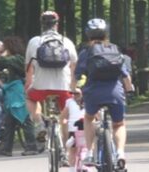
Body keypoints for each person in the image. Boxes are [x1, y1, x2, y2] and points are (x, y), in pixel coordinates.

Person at [74, 18, 133, 166]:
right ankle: (120, 152)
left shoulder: (86, 52)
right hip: (114, 91)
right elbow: (125, 74)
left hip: (93, 92)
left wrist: (73, 89)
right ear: (106, 33)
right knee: (118, 124)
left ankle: (89, 152)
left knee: (89, 118)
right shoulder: (114, 49)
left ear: (88, 34)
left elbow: (77, 74)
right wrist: (129, 88)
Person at [25, 11, 78, 142]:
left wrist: (28, 85)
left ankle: (39, 123)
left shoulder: (34, 41)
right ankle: (66, 149)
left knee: (29, 98)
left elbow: (28, 66)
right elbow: (74, 65)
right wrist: (74, 86)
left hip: (40, 86)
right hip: (63, 87)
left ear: (42, 25)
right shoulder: (67, 42)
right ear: (57, 25)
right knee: (65, 118)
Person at [0, 36, 39, 157]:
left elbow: (2, 61)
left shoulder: (17, 58)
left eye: (5, 48)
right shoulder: (16, 59)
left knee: (24, 118)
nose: (3, 50)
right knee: (10, 121)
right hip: (14, 92)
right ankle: (6, 148)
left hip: (18, 92)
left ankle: (32, 146)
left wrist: (2, 52)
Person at [60, 91, 85, 172]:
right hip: (73, 129)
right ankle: (72, 169)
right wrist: (63, 121)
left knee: (85, 148)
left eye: (77, 93)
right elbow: (64, 115)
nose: (74, 95)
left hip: (86, 129)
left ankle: (84, 164)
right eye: (73, 94)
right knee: (73, 151)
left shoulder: (89, 101)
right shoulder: (69, 102)